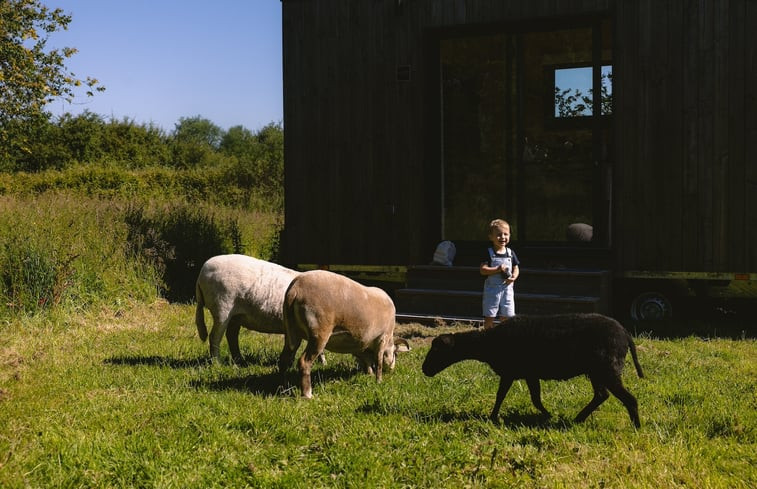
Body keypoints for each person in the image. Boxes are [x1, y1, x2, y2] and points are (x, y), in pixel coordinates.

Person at [480, 219, 520, 328]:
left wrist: (514, 277)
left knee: (507, 315)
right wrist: (497, 269)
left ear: (510, 235)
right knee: (490, 314)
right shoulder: (489, 253)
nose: (502, 237)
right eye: (498, 235)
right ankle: (487, 334)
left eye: (505, 234)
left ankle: (505, 335)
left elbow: (516, 268)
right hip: (492, 290)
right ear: (491, 237)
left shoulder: (510, 253)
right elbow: (483, 270)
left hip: (507, 289)